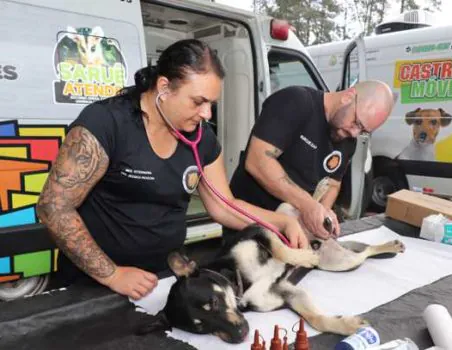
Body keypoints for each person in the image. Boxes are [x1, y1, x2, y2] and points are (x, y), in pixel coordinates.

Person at [36, 39, 308, 301]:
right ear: (164, 87)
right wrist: (112, 275)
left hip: (162, 280)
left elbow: (225, 206)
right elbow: (54, 206)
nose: (207, 114)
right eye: (198, 101)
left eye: (211, 104)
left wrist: (281, 221)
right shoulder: (106, 123)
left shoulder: (202, 139)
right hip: (94, 284)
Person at [226, 81, 395, 241]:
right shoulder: (296, 102)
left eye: (364, 130)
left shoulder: (348, 141)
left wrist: (324, 212)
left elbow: (333, 183)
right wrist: (307, 205)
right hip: (249, 225)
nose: (355, 133)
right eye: (357, 123)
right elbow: (257, 161)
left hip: (291, 233)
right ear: (348, 97)